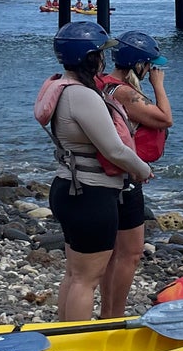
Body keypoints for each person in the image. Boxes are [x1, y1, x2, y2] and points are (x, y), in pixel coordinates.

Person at [35, 19, 153, 320]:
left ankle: (64, 339)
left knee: (75, 275)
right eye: (100, 53)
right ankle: (77, 348)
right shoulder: (83, 96)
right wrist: (141, 169)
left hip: (68, 186)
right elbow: (113, 149)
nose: (104, 58)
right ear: (89, 57)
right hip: (91, 194)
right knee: (87, 280)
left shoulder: (62, 88)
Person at [97, 30, 173, 319]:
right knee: (130, 252)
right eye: (150, 65)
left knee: (114, 254)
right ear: (139, 64)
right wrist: (158, 85)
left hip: (111, 177)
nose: (153, 70)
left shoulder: (104, 85)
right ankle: (114, 316)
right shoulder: (126, 92)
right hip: (125, 180)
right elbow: (166, 118)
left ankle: (108, 313)